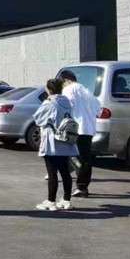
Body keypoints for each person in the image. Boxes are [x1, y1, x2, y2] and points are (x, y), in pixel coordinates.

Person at [33, 78, 79, 211]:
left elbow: (38, 119)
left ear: (49, 90)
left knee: (52, 172)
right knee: (65, 172)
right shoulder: (67, 102)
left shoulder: (49, 103)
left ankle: (51, 201)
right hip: (66, 140)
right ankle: (66, 200)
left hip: (52, 141)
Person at [59, 70, 98, 196]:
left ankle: (81, 187)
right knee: (84, 158)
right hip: (88, 129)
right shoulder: (86, 90)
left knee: (77, 158)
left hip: (76, 129)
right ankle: (82, 185)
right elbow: (98, 107)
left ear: (65, 81)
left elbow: (66, 107)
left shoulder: (69, 90)